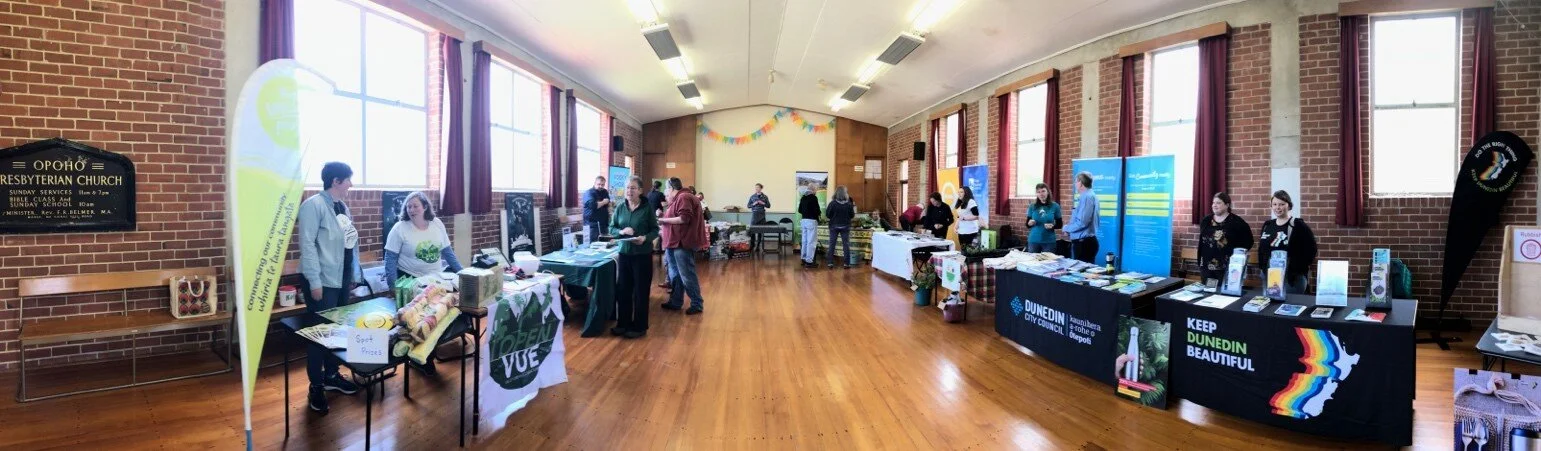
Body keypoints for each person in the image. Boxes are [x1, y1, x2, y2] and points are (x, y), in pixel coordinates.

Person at [296, 162, 362, 414]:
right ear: (336, 181)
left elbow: (350, 243)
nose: (351, 185)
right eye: (348, 180)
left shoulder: (342, 207)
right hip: (322, 280)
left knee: (337, 330)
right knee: (319, 333)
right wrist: (314, 282)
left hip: (342, 278)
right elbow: (308, 245)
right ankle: (316, 385)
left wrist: (354, 273)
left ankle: (332, 375)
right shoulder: (312, 206)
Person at [382, 191, 464, 375]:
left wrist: (463, 273)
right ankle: (421, 359)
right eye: (408, 206)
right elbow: (390, 259)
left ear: (425, 207)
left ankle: (425, 355)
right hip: (411, 280)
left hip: (435, 280)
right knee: (417, 321)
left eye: (415, 206)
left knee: (435, 319)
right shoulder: (400, 228)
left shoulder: (437, 224)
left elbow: (447, 252)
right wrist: (392, 286)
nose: (411, 209)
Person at [610, 176, 658, 338]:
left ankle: (639, 327)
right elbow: (612, 228)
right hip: (624, 254)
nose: (629, 191)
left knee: (640, 292)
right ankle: (623, 324)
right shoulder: (620, 208)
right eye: (628, 188)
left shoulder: (647, 208)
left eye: (633, 188)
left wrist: (645, 238)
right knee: (623, 290)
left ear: (640, 191)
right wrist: (621, 232)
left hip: (642, 256)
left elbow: (655, 230)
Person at [658, 177, 706, 314]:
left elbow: (684, 218)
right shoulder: (679, 198)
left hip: (682, 243)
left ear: (672, 188)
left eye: (666, 189)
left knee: (686, 275)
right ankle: (676, 301)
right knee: (676, 275)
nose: (665, 192)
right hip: (674, 243)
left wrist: (662, 220)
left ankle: (697, 304)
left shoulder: (684, 196)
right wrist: (663, 216)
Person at [1258, 190, 1318, 294]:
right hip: (1269, 274)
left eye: (1282, 204)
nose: (1278, 207)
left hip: (1291, 278)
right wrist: (1262, 267)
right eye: (1275, 204)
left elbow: (1311, 250)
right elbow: (1261, 249)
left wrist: (1296, 269)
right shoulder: (1268, 225)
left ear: (1289, 206)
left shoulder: (1298, 225)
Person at [1198, 192, 1253, 288]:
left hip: (1228, 269)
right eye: (1213, 203)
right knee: (1209, 296)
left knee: (1225, 297)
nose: (1214, 205)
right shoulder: (1206, 220)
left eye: (1218, 203)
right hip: (1207, 269)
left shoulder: (1237, 222)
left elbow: (1248, 241)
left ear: (1227, 205)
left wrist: (1237, 258)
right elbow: (1203, 243)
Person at [1064, 171, 1100, 263]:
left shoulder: (1086, 197)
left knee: (1082, 275)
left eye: (1076, 182)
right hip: (1086, 242)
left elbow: (1082, 222)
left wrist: (1067, 228)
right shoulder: (1091, 195)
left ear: (1080, 183)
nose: (1075, 184)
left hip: (1083, 244)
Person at [824, 186, 856, 269]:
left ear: (836, 193)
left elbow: (827, 215)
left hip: (834, 226)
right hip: (845, 226)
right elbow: (852, 215)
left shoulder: (832, 203)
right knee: (846, 245)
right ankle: (846, 263)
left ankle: (830, 263)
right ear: (845, 193)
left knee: (832, 245)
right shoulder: (849, 204)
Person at [1025, 183, 1062, 253]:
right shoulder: (1032, 206)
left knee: (1048, 263)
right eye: (1038, 192)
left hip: (1049, 241)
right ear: (1036, 194)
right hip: (1033, 240)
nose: (1041, 194)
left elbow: (1060, 224)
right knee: (1033, 263)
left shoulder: (1055, 206)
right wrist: (1030, 223)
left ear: (1048, 192)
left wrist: (1052, 226)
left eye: (1043, 191)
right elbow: (1027, 224)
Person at [797, 183, 822, 268]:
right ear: (813, 189)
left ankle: (803, 259)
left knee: (804, 241)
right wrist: (819, 213)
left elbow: (799, 210)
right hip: (811, 221)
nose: (816, 191)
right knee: (811, 242)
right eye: (816, 190)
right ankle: (809, 261)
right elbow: (817, 210)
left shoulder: (803, 197)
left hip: (803, 220)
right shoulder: (814, 198)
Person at [582, 176, 611, 242]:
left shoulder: (604, 192)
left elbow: (608, 202)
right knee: (592, 246)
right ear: (594, 183)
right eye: (599, 184)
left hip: (603, 224)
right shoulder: (589, 193)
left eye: (602, 185)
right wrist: (603, 202)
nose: (601, 186)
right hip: (592, 225)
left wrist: (600, 203)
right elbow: (593, 205)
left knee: (605, 245)